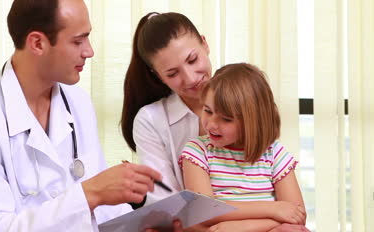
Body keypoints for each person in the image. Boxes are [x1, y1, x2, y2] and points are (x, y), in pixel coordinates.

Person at [0, 0, 170, 232]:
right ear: (37, 43)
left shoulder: (76, 102)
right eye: (78, 41)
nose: (89, 51)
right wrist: (89, 194)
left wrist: (142, 225)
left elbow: (105, 209)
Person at [122, 13, 309, 231]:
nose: (191, 78)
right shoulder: (158, 124)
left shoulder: (240, 94)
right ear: (158, 76)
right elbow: (176, 208)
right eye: (172, 73)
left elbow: (294, 213)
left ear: (205, 43)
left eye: (193, 60)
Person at [180, 63, 307, 231]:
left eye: (226, 119)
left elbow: (296, 215)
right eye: (208, 111)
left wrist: (237, 227)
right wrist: (273, 210)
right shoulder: (197, 151)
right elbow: (203, 210)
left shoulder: (274, 154)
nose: (211, 124)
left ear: (252, 122)